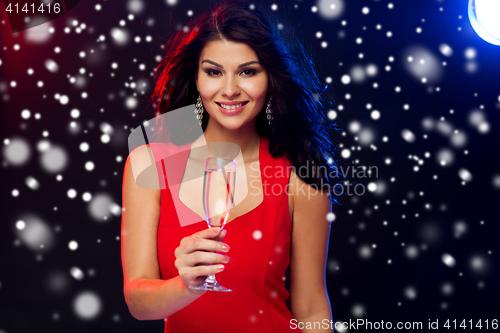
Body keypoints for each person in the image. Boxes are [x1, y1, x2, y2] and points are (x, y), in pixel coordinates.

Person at [121, 1, 343, 332]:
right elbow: (138, 302)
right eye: (214, 72)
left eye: (248, 71)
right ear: (196, 78)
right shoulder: (150, 162)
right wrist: (187, 286)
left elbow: (311, 310)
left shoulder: (299, 175)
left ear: (270, 78)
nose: (229, 89)